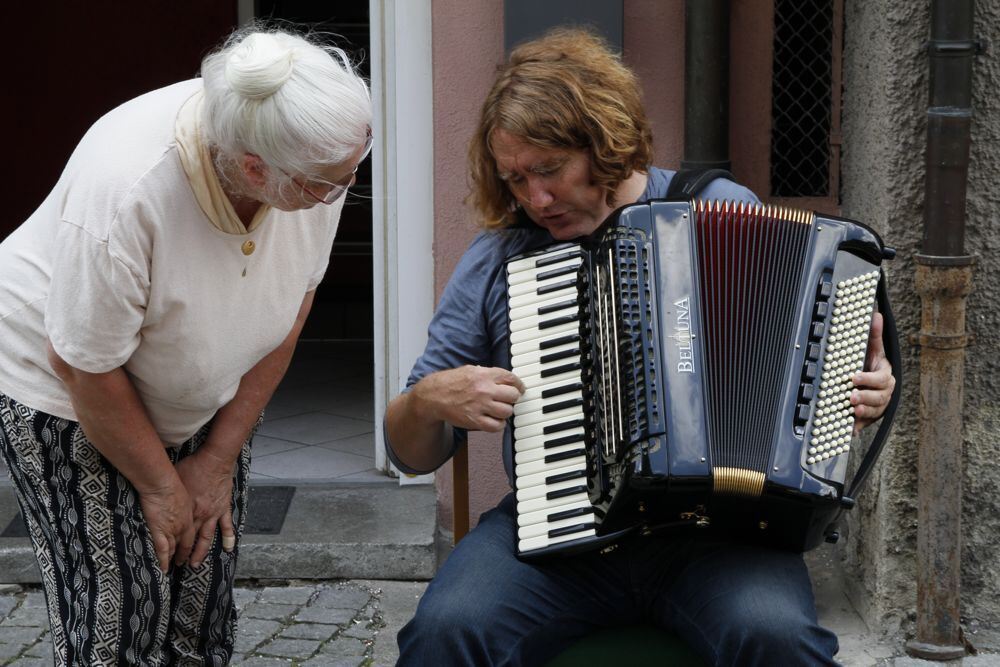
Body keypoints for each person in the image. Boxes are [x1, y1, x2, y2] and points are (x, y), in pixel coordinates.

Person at [384, 28, 895, 666]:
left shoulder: (717, 209)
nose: (533, 199)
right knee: (445, 632)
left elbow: (799, 372)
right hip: (557, 540)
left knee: (779, 640)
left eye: (549, 170)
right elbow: (406, 452)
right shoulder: (501, 255)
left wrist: (860, 384)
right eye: (514, 179)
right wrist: (427, 402)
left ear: (603, 142)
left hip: (718, 538)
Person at [0, 25, 372, 665]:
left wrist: (218, 458)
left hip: (199, 393)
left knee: (201, 606)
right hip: (69, 395)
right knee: (117, 627)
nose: (343, 192)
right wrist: (162, 487)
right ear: (255, 167)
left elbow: (293, 303)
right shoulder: (128, 188)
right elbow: (82, 364)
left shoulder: (319, 153)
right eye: (329, 184)